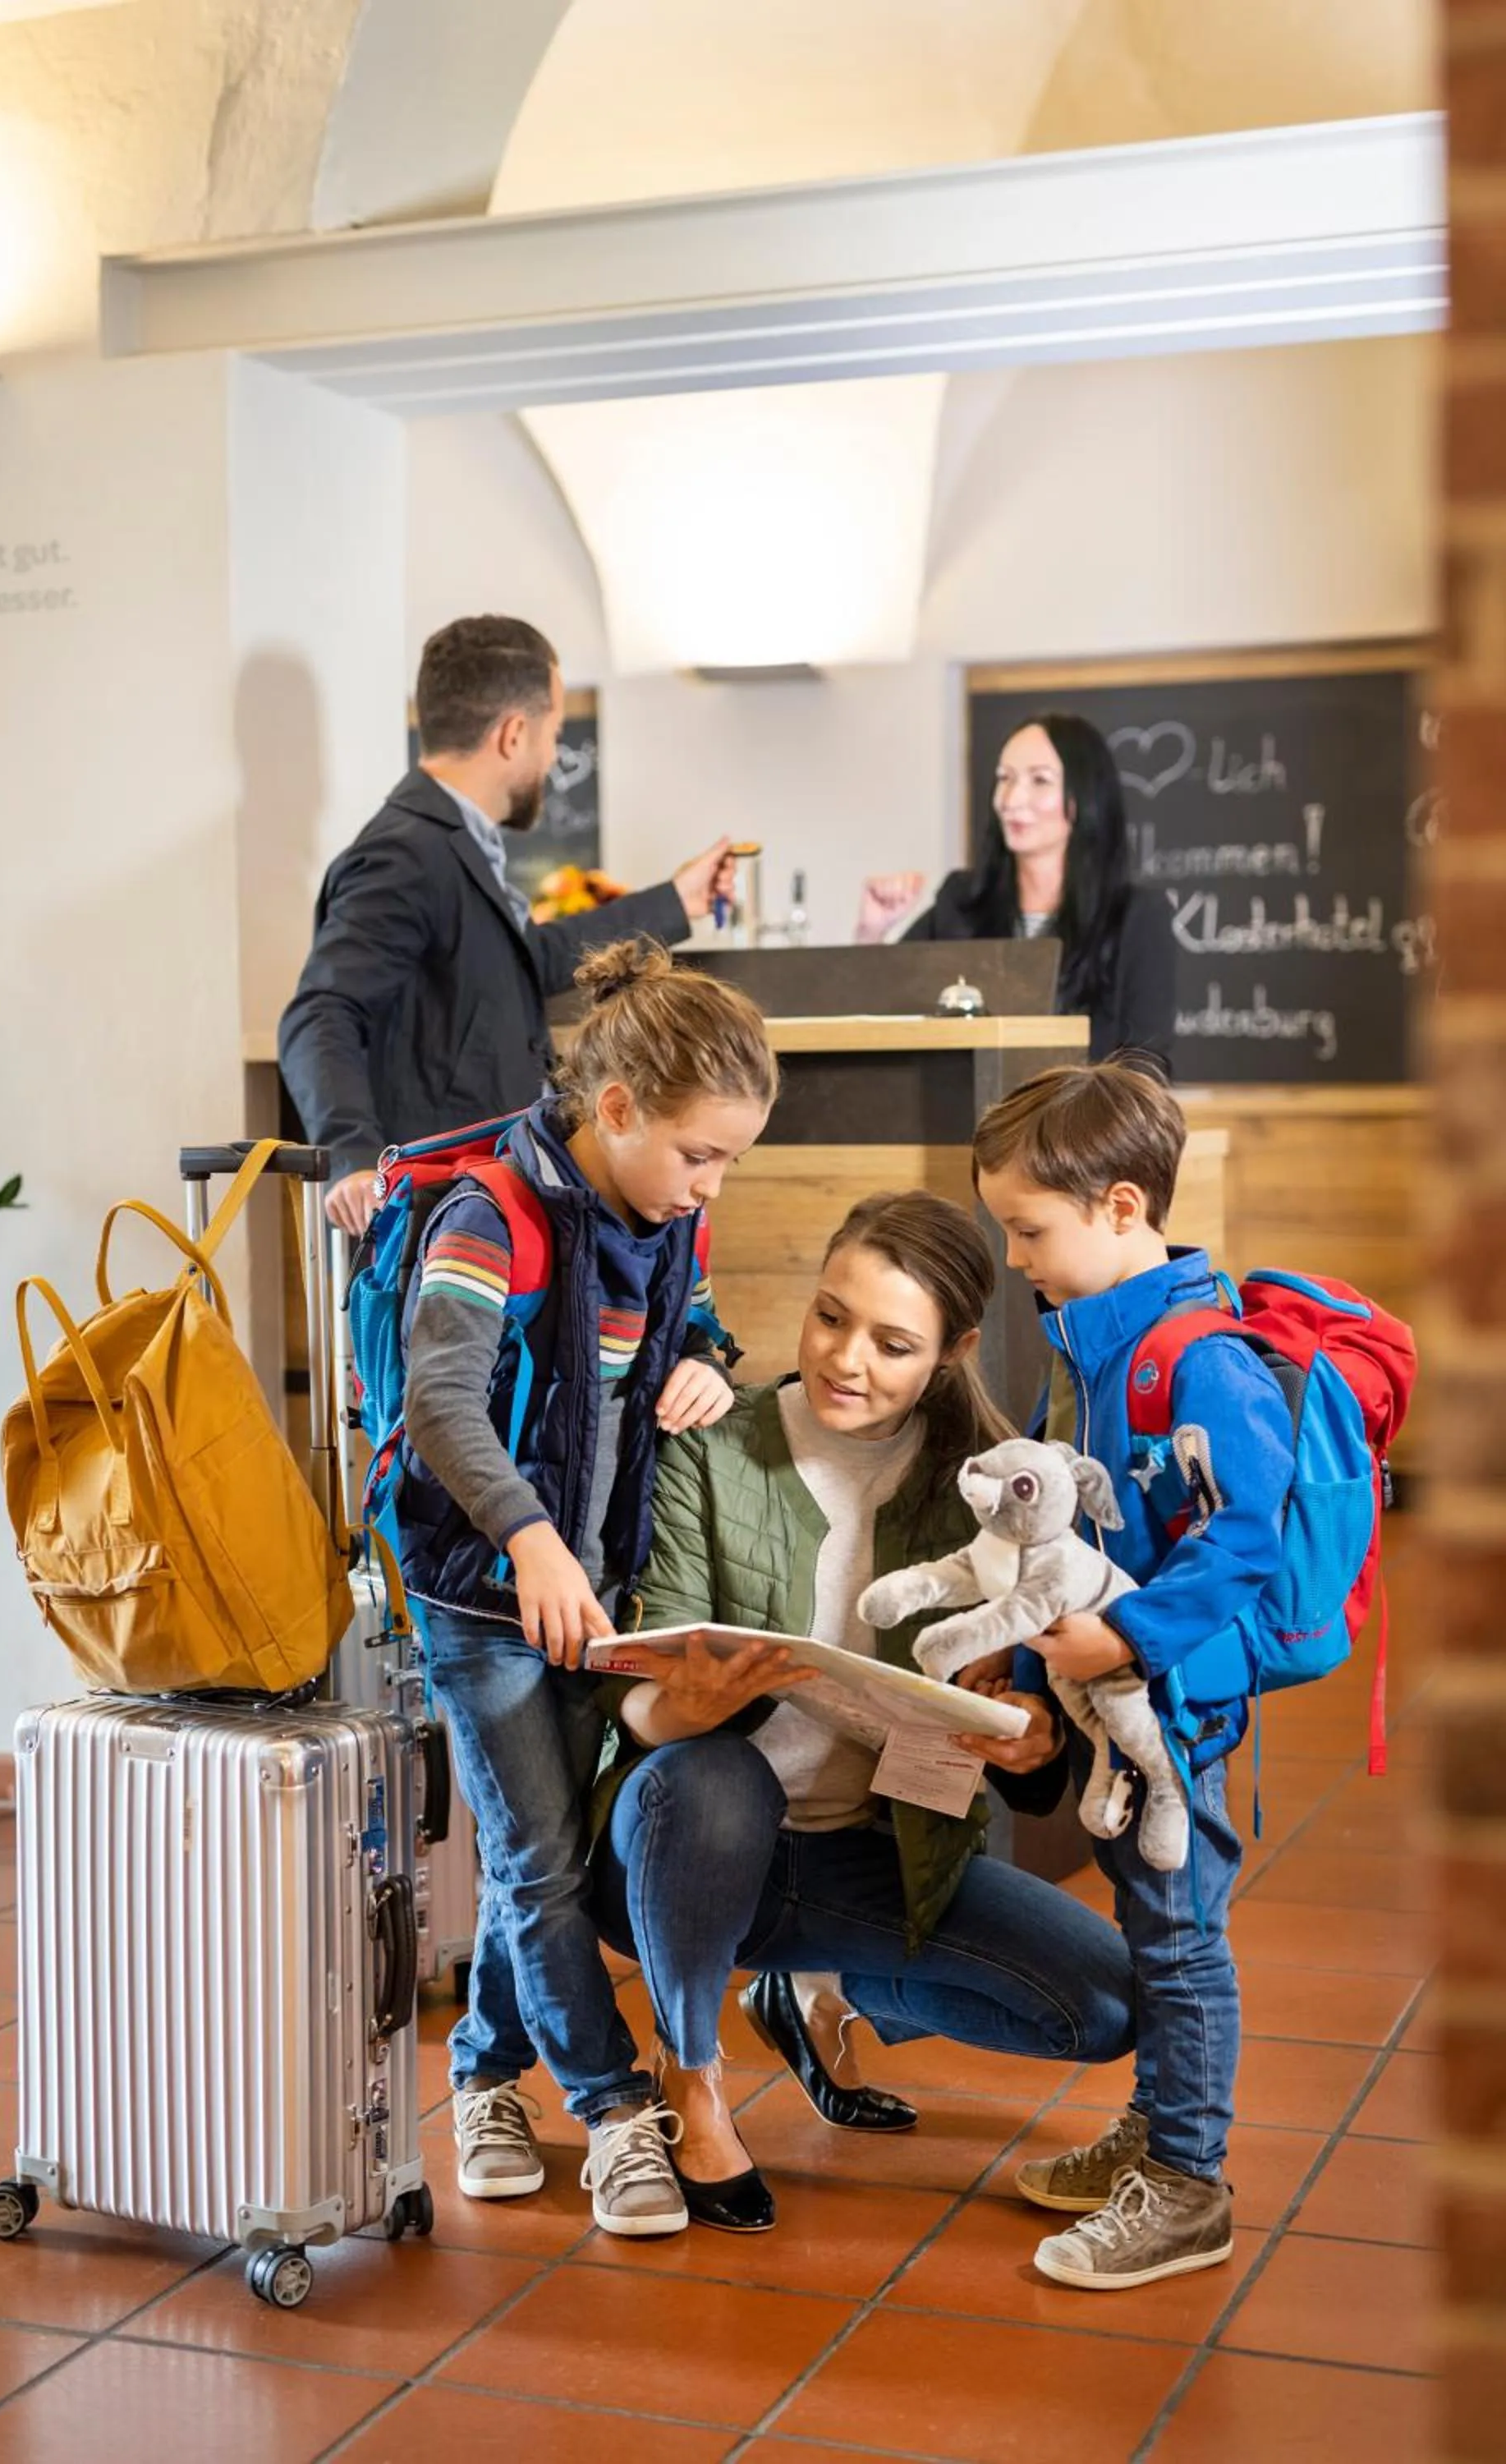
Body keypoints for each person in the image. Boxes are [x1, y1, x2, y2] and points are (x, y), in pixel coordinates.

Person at [587, 1191, 1137, 2232]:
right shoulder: (711, 1442)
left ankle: (822, 1992)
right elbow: (635, 1714)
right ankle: (690, 2083)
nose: (844, 1360)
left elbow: (1037, 1733)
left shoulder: (997, 1485)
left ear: (952, 1351)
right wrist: (678, 1708)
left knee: (1102, 2007)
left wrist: (1029, 1742)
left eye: (892, 1345)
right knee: (713, 1778)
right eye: (829, 1317)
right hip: (682, 1848)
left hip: (865, 1859)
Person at [398, 938, 778, 2239]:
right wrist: (530, 1541)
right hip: (483, 1589)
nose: (710, 1185)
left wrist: (710, 1364)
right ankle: (616, 2110)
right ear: (614, 1109)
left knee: (539, 1853)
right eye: (699, 1155)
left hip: (594, 1589)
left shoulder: (673, 1219)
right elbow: (440, 1404)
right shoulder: (485, 1218)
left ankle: (482, 2078)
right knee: (540, 1860)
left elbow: (692, 1327)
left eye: (729, 1162)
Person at [970, 1058, 1292, 2289]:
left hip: (1176, 1708)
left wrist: (1133, 1638)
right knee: (1148, 1919)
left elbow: (1246, 1534)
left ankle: (1189, 2186)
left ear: (1118, 1207)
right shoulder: (1092, 1349)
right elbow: (1064, 1529)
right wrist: (1034, 1656)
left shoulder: (1198, 1357)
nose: (1016, 1259)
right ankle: (1158, 2132)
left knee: (1179, 1938)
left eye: (1028, 1230)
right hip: (1115, 1708)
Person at [278, 614, 738, 1235]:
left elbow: (529, 958)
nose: (552, 756)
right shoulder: (405, 854)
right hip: (439, 1216)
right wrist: (354, 1159)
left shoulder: (455, 846)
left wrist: (676, 902)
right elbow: (320, 1012)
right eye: (553, 734)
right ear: (515, 734)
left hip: (482, 1202)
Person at [855, 712, 1176, 1067]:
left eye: (1040, 780)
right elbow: (878, 1013)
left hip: (1082, 1105)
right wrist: (872, 931)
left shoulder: (1137, 917)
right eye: (1004, 778)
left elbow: (1146, 1063)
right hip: (966, 1104)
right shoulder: (960, 902)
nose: (1012, 799)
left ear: (1085, 796)